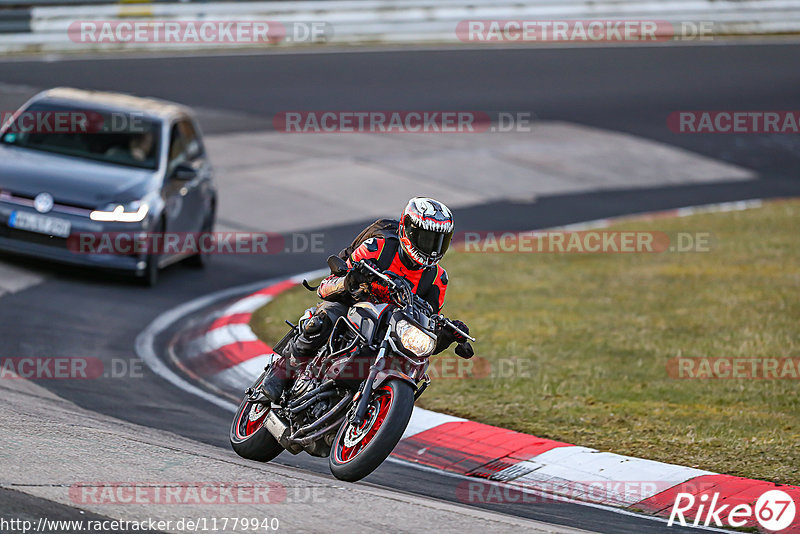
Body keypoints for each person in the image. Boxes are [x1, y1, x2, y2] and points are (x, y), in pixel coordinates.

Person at [262, 197, 474, 402]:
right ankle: (283, 370)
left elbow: (425, 325)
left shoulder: (438, 278)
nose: (432, 248)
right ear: (407, 229)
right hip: (354, 305)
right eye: (427, 239)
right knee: (326, 317)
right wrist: (354, 279)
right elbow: (327, 286)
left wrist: (444, 335)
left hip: (390, 329)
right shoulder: (378, 247)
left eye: (439, 241)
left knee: (413, 361)